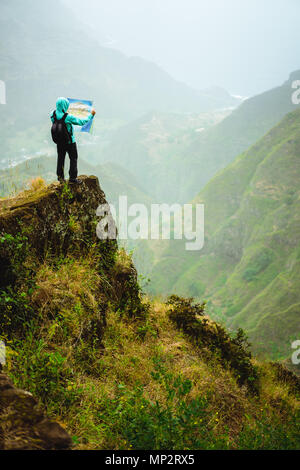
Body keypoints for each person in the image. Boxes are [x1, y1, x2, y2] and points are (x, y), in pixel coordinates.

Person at [50, 97, 96, 184]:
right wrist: (91, 115)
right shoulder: (68, 117)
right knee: (73, 158)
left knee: (60, 158)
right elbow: (82, 122)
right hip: (70, 142)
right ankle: (73, 178)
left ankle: (60, 178)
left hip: (59, 142)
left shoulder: (52, 114)